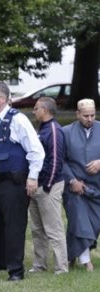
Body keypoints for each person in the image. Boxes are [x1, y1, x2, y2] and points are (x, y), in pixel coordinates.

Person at [0, 80, 45, 281]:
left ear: (2, 98)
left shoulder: (18, 120)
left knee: (14, 227)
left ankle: (15, 270)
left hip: (13, 183)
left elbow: (36, 151)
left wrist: (33, 177)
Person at [28, 97, 68, 274]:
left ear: (44, 110)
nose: (33, 111)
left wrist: (48, 185)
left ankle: (61, 266)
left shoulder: (53, 130)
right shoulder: (42, 129)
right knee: (37, 229)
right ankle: (39, 264)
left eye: (36, 108)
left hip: (48, 186)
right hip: (36, 185)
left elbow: (55, 161)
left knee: (54, 228)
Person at [62, 98, 100, 272]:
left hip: (97, 188)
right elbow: (60, 161)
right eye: (86, 116)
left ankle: (71, 255)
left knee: (92, 223)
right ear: (77, 114)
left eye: (93, 115)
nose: (90, 119)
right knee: (79, 218)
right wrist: (72, 181)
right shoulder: (66, 132)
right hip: (75, 187)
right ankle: (86, 261)